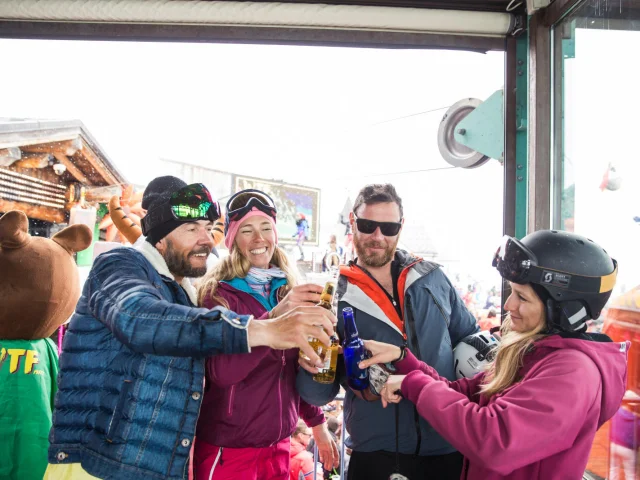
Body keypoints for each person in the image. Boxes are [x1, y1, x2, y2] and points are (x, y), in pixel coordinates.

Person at [44, 177, 335, 480]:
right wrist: (265, 329)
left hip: (160, 464)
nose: (207, 240)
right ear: (160, 236)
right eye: (192, 228)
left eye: (209, 229)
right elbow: (139, 318)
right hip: (97, 463)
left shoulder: (186, 290)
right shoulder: (119, 265)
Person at [363, 230, 628, 480]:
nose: (508, 305)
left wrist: (414, 384)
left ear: (564, 310)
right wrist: (403, 360)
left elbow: (494, 440)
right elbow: (463, 393)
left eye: (522, 298)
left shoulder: (572, 372)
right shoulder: (536, 355)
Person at [297, 183, 479, 480]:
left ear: (400, 227)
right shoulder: (331, 297)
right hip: (377, 455)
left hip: (449, 444)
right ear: (353, 224)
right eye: (368, 225)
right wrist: (310, 364)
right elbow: (317, 394)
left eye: (389, 227)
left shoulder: (432, 277)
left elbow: (469, 341)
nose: (377, 237)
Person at [194, 189, 339, 480]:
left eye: (265, 229)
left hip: (279, 449)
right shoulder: (218, 297)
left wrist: (317, 424)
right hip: (229, 452)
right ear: (233, 239)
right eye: (247, 230)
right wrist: (272, 322)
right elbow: (220, 372)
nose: (259, 240)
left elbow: (293, 371)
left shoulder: (286, 290)